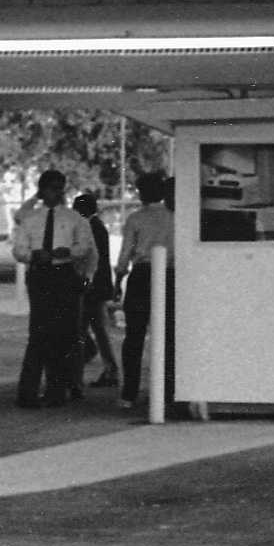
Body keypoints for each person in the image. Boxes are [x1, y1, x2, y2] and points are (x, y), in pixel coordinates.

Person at [11, 170, 90, 407]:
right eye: (52, 188)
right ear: (42, 190)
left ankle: (57, 391)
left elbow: (84, 246)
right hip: (40, 274)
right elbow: (18, 249)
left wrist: (70, 252)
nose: (57, 193)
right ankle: (28, 392)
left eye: (60, 188)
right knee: (38, 332)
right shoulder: (30, 219)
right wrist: (33, 255)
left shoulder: (75, 218)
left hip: (64, 273)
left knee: (64, 333)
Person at [116, 172, 175, 411]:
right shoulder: (175, 217)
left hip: (141, 276)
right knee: (169, 336)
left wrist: (117, 280)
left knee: (134, 337)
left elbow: (124, 256)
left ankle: (129, 393)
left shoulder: (135, 219)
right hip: (171, 275)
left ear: (142, 193)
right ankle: (168, 392)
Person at [75, 187, 120, 388]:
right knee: (95, 328)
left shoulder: (91, 229)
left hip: (92, 286)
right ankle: (106, 366)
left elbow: (91, 259)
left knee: (88, 327)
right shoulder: (97, 227)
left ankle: (105, 367)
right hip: (99, 286)